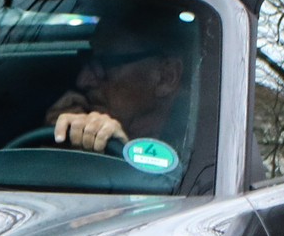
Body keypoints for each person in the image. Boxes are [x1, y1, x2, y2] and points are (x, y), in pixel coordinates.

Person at [47, 37, 192, 154]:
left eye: (105, 62)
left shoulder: (200, 147)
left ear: (166, 78)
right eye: (87, 59)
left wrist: (121, 151)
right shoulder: (76, 119)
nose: (82, 80)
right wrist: (57, 143)